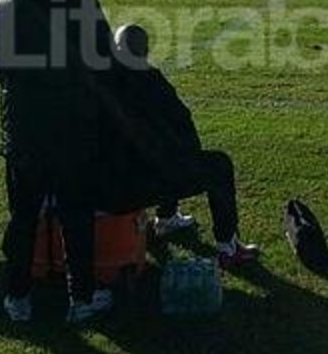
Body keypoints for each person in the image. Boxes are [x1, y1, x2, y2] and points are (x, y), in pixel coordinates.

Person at [0, 0, 114, 324]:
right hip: (73, 128)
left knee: (23, 216)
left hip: (24, 129)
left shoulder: (6, 4)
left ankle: (18, 296)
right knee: (76, 214)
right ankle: (81, 297)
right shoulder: (83, 2)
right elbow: (104, 62)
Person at [99, 24, 261, 266]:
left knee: (165, 152)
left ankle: (167, 218)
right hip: (142, 185)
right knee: (217, 164)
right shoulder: (154, 83)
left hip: (111, 186)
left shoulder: (104, 86)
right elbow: (185, 132)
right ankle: (227, 247)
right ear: (145, 51)